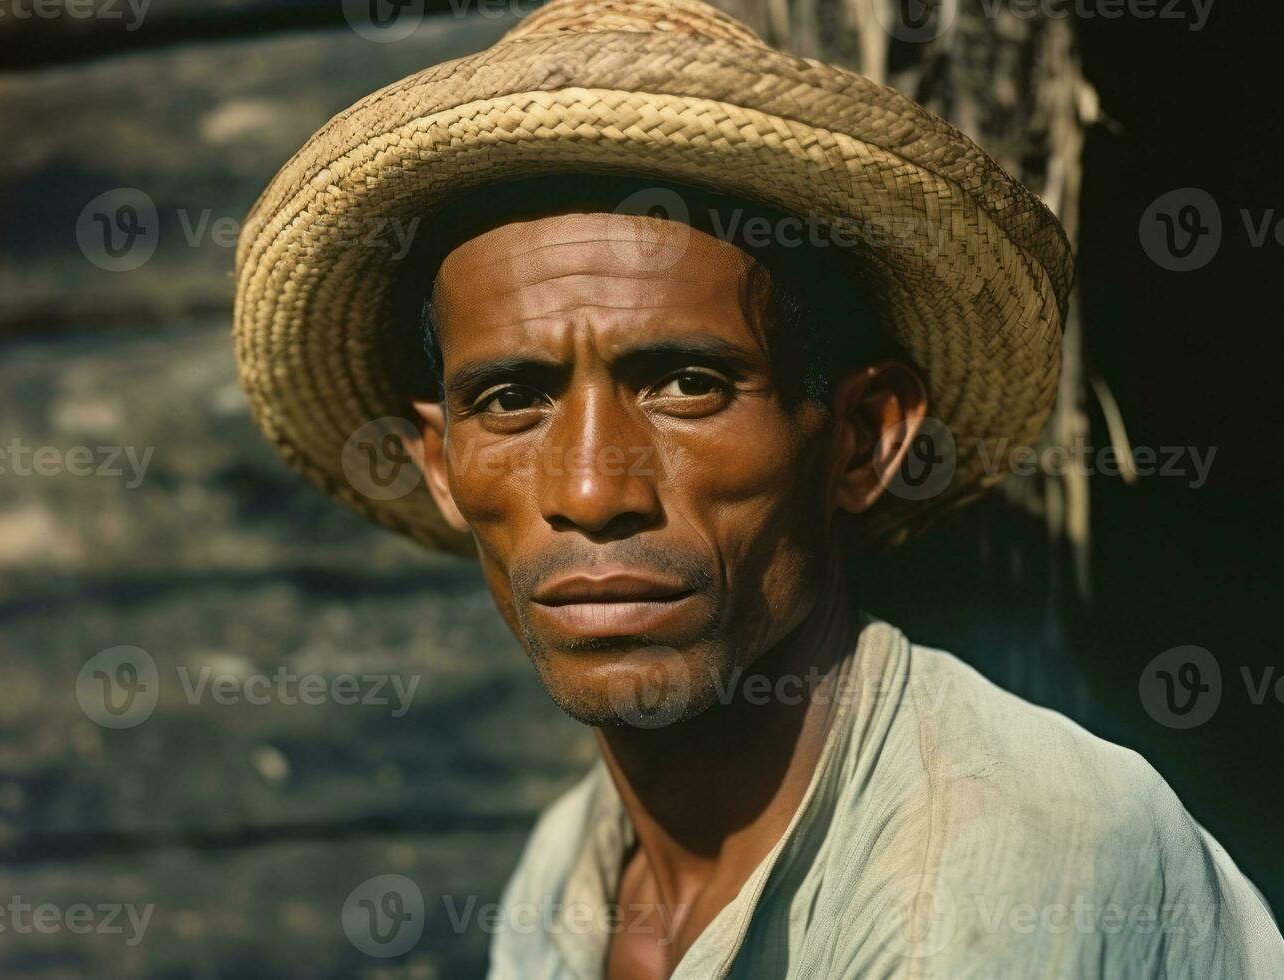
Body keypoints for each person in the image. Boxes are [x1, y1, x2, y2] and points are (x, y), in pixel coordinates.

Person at [232, 1, 1282, 976]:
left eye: (687, 382)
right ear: (438, 463)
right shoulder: (570, 872)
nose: (593, 488)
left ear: (863, 440)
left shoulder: (997, 858)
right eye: (512, 397)